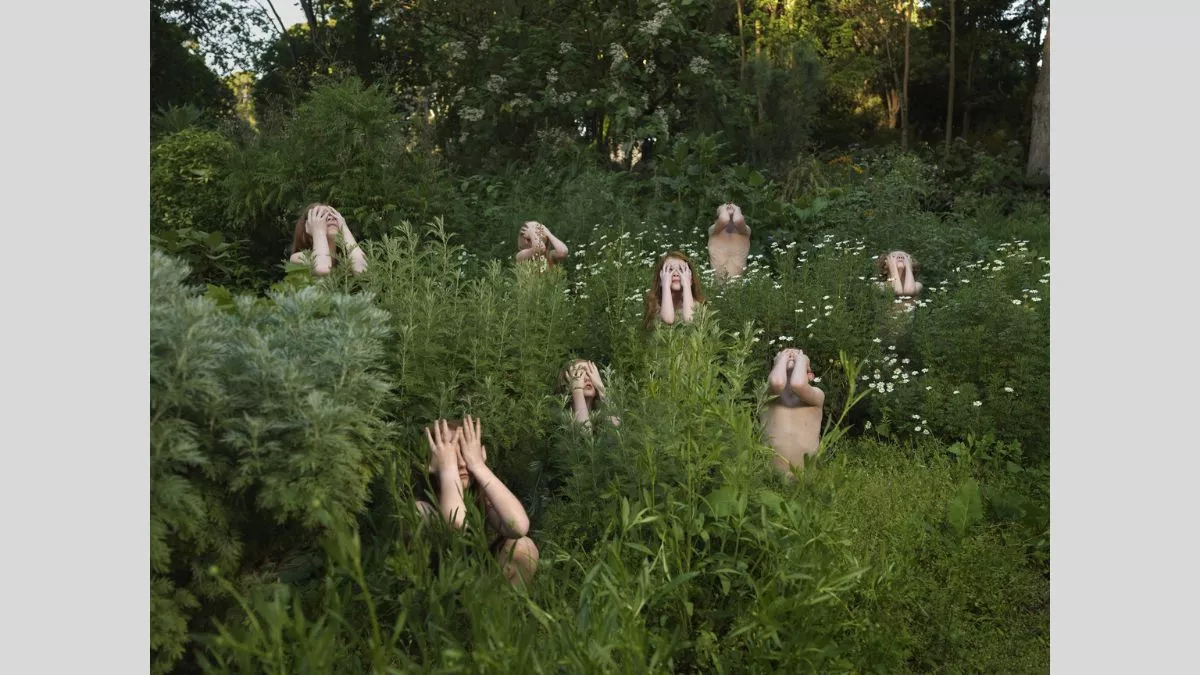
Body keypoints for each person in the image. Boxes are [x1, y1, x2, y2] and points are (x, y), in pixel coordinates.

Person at [416, 416, 539, 585]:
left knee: (523, 547)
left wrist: (479, 466)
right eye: (450, 454)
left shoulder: (479, 497)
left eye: (465, 452)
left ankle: (500, 609)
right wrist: (447, 470)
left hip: (478, 592)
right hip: (437, 595)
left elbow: (519, 526)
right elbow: (457, 526)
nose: (460, 462)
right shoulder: (420, 507)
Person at [760, 348, 825, 479]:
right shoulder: (765, 396)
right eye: (785, 354)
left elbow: (798, 384)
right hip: (771, 478)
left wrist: (801, 359)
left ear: (810, 375)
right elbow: (777, 382)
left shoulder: (817, 396)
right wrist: (783, 360)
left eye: (796, 356)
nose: (790, 355)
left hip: (805, 479)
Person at [289, 203, 367, 276]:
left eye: (333, 215)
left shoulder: (347, 260)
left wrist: (345, 229)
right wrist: (319, 231)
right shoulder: (298, 258)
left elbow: (364, 272)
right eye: (321, 216)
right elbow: (323, 269)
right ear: (308, 228)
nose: (330, 217)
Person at [643, 251, 706, 330]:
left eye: (681, 269)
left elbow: (690, 321)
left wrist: (686, 285)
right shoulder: (654, 304)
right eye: (670, 269)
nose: (676, 274)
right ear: (661, 277)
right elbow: (668, 319)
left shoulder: (696, 304)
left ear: (690, 277)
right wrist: (666, 285)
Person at [560, 359, 620, 429]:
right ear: (566, 383)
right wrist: (577, 390)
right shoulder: (562, 419)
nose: (586, 378)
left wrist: (601, 387)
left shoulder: (601, 418)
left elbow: (616, 428)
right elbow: (584, 435)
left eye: (590, 373)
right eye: (579, 374)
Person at [707, 202, 751, 281]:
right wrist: (724, 208)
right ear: (716, 220)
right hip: (718, 285)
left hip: (737, 285)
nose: (729, 206)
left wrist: (736, 209)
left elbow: (738, 220)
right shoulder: (713, 231)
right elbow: (724, 220)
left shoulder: (745, 231)